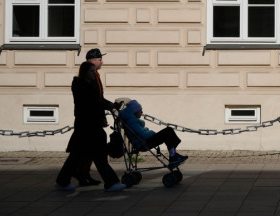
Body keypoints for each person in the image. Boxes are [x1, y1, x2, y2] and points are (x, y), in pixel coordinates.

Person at [55, 61, 126, 192]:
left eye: (94, 71)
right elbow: (92, 104)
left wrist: (111, 106)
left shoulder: (91, 84)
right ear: (84, 72)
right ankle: (111, 182)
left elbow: (99, 101)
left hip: (89, 126)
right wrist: (104, 113)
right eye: (91, 71)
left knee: (77, 156)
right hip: (87, 126)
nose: (94, 74)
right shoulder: (80, 86)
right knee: (97, 154)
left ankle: (62, 181)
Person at [74, 48, 109, 186]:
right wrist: (102, 115)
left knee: (84, 152)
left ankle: (82, 175)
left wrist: (110, 106)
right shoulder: (87, 81)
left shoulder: (96, 76)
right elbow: (95, 101)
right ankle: (109, 180)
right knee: (91, 151)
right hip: (88, 122)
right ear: (92, 61)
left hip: (92, 121)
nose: (102, 61)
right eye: (100, 59)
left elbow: (99, 99)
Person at [119, 99, 189, 165]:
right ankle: (173, 156)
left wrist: (147, 131)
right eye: (140, 110)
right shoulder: (132, 121)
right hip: (143, 144)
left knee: (168, 132)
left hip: (144, 142)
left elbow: (141, 132)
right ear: (135, 111)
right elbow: (143, 135)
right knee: (168, 131)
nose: (142, 112)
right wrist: (152, 132)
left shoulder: (131, 120)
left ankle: (173, 155)